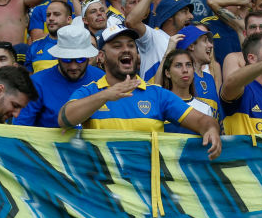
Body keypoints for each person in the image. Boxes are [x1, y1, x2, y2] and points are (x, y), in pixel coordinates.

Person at [59, 24, 221, 158]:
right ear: (101, 56)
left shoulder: (157, 94)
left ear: (138, 55)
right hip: (105, 193)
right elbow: (65, 119)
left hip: (148, 191)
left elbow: (202, 120)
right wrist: (105, 95)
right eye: (117, 46)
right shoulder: (90, 91)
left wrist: (210, 128)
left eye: (131, 45)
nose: (126, 49)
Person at [17, 18, 103, 128]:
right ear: (57, 57)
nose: (73, 66)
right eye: (66, 60)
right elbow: (21, 128)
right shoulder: (37, 83)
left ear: (88, 57)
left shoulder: (101, 78)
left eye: (80, 59)